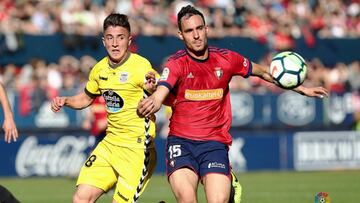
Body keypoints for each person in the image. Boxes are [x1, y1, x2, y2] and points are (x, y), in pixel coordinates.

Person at [137, 5, 329, 203]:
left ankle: (229, 186)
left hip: (214, 144)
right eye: (189, 31)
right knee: (187, 199)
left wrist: (301, 88)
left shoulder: (227, 59)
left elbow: (264, 72)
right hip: (181, 143)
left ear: (206, 29)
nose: (195, 35)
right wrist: (154, 99)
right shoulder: (176, 63)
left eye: (199, 28)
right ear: (180, 35)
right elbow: (162, 90)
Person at [51, 13, 158, 203]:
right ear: (103, 41)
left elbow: (158, 91)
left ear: (129, 40)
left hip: (136, 149)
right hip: (109, 145)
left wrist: (153, 91)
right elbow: (85, 98)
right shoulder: (99, 69)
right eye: (110, 38)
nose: (115, 43)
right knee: (81, 198)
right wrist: (65, 101)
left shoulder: (141, 66)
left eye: (120, 37)